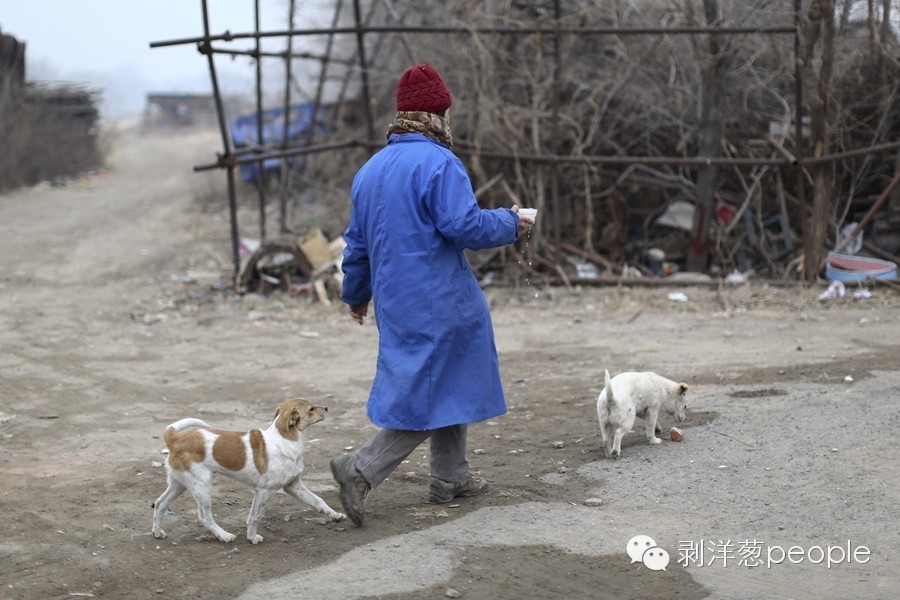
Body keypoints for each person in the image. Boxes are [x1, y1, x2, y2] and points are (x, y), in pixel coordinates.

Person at [330, 63, 533, 527]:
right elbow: (464, 226)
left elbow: (356, 244)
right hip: (440, 299)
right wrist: (511, 220)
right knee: (427, 390)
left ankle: (450, 476)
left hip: (396, 302)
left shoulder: (369, 171)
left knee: (448, 379)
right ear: (437, 113)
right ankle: (360, 468)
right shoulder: (440, 162)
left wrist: (356, 294)